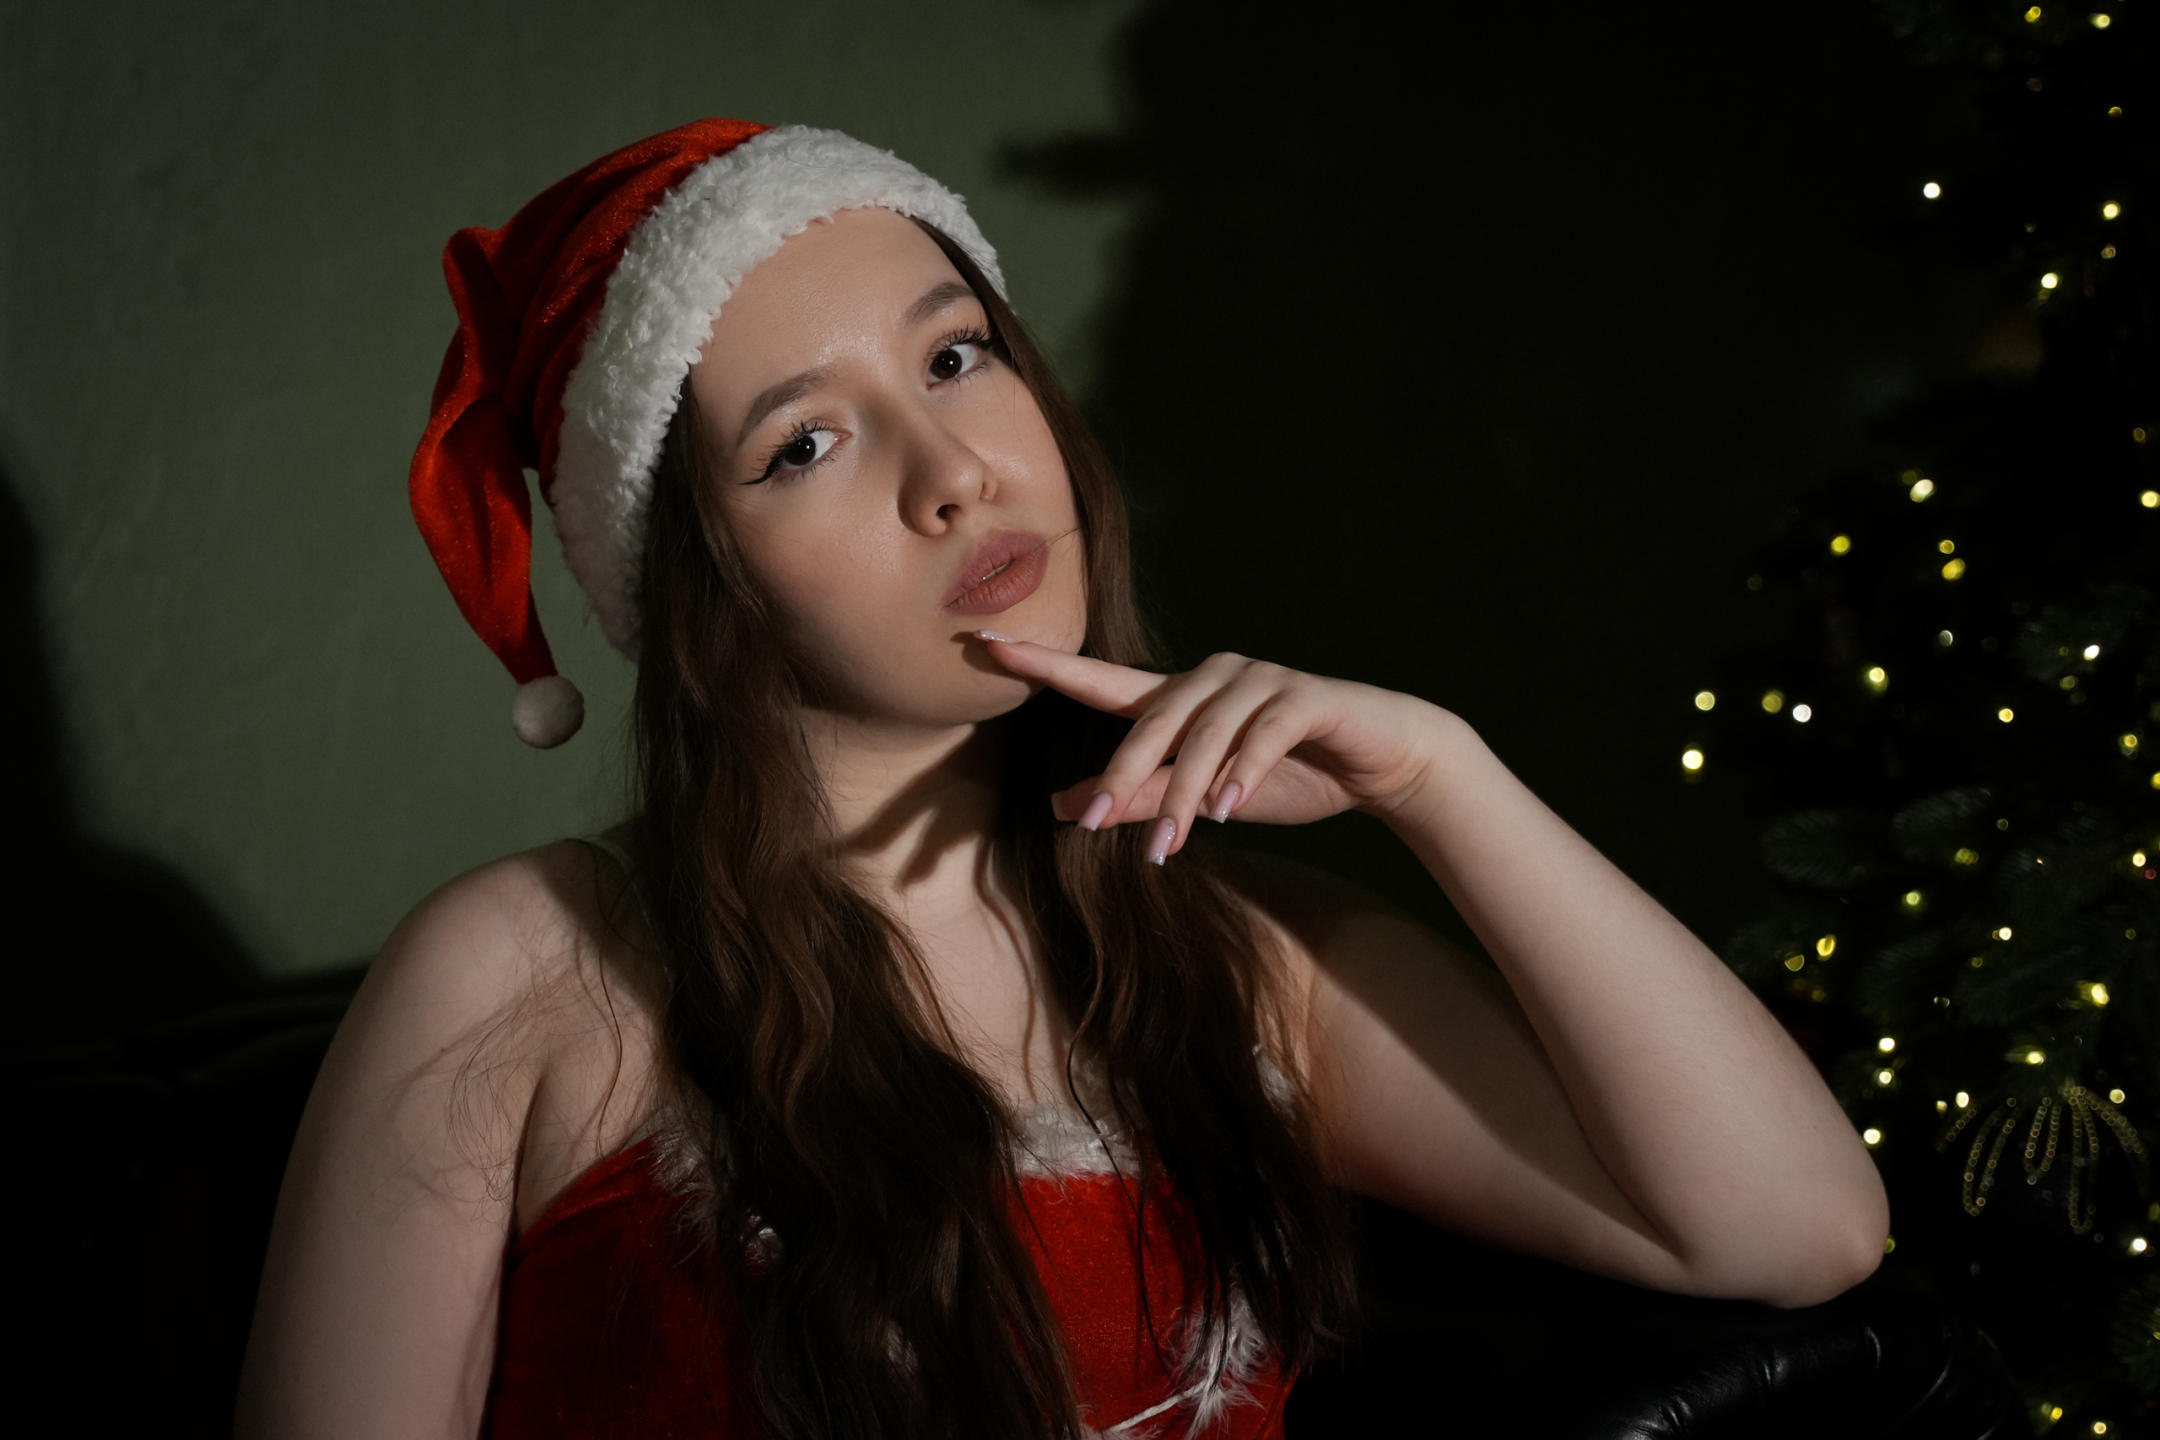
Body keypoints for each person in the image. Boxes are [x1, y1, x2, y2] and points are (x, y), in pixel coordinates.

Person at [234, 118, 1890, 1440]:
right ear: (689, 591)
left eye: (957, 358)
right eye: (803, 444)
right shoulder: (523, 972)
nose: (954, 473)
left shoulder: (1242, 964)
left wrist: (1441, 781)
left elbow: (1800, 1228)